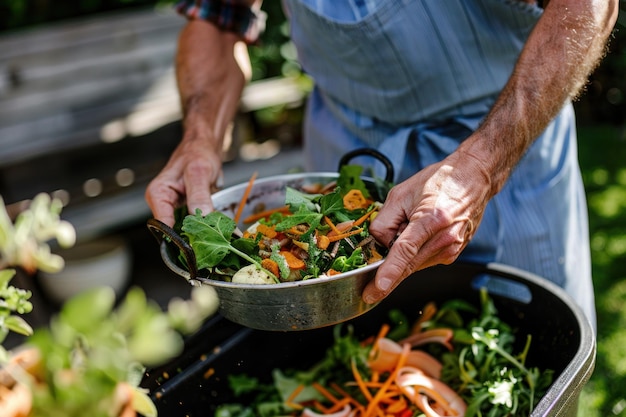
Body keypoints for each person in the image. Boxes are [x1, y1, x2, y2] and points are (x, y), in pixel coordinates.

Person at [145, 0, 619, 327]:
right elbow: (219, 18)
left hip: (502, 139)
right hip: (351, 145)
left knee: (522, 339)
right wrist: (201, 136)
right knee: (353, 354)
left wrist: (481, 165)